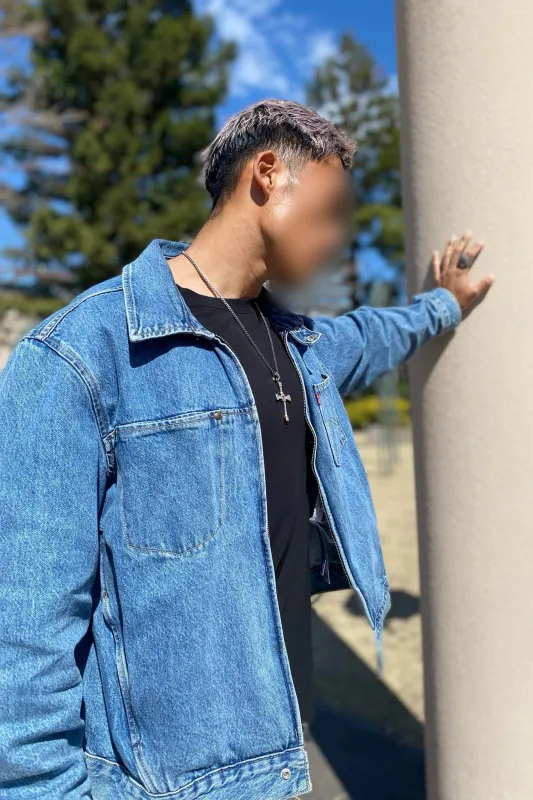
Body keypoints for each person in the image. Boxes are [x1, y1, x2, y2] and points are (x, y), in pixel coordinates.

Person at [0, 99, 493, 800]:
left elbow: (370, 336)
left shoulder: (299, 344)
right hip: (161, 785)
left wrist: (443, 305)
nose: (337, 238)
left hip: (281, 750)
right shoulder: (80, 354)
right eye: (331, 211)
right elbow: (24, 630)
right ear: (267, 174)